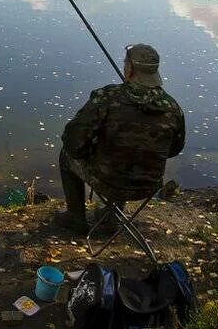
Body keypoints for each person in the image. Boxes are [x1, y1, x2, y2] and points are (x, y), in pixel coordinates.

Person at [55, 44, 185, 235]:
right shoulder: (173, 108)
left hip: (108, 181)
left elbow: (73, 140)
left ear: (130, 69)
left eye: (125, 63)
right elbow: (174, 149)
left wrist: (93, 147)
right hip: (147, 186)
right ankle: (110, 218)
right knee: (128, 155)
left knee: (66, 155)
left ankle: (76, 217)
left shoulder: (108, 97)